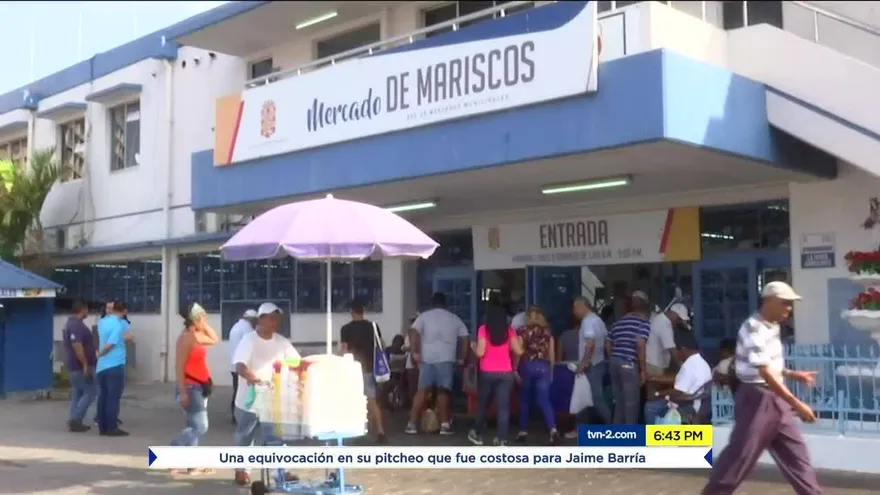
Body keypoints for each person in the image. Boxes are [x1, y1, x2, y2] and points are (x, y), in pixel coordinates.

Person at [703, 281, 821, 494]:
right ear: (767, 302)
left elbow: (768, 365)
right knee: (740, 457)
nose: (788, 308)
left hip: (775, 401)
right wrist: (797, 404)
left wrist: (793, 374)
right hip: (757, 401)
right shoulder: (753, 328)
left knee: (797, 457)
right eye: (784, 303)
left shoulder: (773, 326)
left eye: (790, 304)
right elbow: (764, 372)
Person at [232, 302, 301, 486]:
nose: (274, 322)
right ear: (260, 319)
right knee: (245, 436)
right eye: (271, 318)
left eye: (276, 319)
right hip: (249, 399)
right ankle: (241, 470)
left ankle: (279, 473)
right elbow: (240, 365)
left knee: (275, 437)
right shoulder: (249, 340)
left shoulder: (282, 342)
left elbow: (296, 362)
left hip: (272, 400)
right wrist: (252, 378)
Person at [406, 292, 469, 436]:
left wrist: (415, 351)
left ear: (432, 304)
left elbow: (413, 332)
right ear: (445, 304)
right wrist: (462, 357)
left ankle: (412, 424)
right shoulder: (454, 318)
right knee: (443, 391)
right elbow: (465, 337)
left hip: (427, 358)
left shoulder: (424, 317)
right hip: (446, 358)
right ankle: (445, 425)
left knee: (422, 390)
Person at [170, 302, 219, 475]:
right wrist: (182, 391)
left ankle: (192, 465)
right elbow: (179, 366)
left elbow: (214, 339)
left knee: (193, 425)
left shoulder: (196, 335)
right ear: (195, 320)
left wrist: (204, 325)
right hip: (190, 388)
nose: (206, 321)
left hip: (200, 386)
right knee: (201, 426)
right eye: (203, 318)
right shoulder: (186, 338)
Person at [468, 304, 522, 446]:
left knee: (483, 405)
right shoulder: (510, 331)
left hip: (487, 372)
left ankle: (477, 434)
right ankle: (502, 439)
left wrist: (473, 346)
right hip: (506, 373)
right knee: (503, 407)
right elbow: (519, 351)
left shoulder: (483, 330)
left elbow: (480, 353)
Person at [339, 300, 387, 443]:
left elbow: (343, 350)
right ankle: (380, 430)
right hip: (370, 368)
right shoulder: (373, 326)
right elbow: (381, 345)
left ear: (351, 311)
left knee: (353, 400)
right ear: (363, 311)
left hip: (353, 368)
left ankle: (357, 430)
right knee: (372, 400)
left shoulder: (345, 329)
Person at [643, 332, 712, 424]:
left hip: (687, 404)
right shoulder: (701, 362)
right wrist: (654, 378)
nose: (677, 354)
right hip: (700, 403)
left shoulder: (689, 365)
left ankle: (654, 436)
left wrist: (657, 394)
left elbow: (678, 391)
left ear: (684, 350)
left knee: (651, 406)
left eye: (677, 351)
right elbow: (679, 379)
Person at [514, 306, 559, 444]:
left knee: (524, 399)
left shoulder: (523, 331)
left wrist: (515, 369)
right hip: (544, 367)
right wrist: (551, 371)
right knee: (544, 400)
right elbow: (552, 354)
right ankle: (552, 429)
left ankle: (523, 431)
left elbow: (519, 351)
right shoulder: (548, 333)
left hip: (528, 366)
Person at [606, 291, 651, 424]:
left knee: (619, 402)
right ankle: (630, 438)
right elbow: (640, 344)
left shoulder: (619, 322)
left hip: (614, 362)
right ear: (645, 307)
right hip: (628, 364)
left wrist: (613, 357)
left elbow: (607, 342)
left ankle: (617, 436)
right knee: (631, 404)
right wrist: (643, 370)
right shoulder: (643, 323)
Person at [95, 302, 133, 436]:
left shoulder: (102, 322)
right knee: (113, 397)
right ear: (124, 311)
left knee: (103, 396)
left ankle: (102, 426)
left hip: (101, 367)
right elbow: (111, 344)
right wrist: (102, 353)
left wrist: (99, 356)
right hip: (114, 365)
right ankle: (112, 427)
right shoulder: (118, 324)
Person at [573, 296, 612, 424]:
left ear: (581, 307)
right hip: (599, 362)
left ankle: (610, 424)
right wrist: (609, 358)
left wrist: (584, 362)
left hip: (590, 365)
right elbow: (607, 342)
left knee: (588, 397)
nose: (574, 312)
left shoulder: (588, 321)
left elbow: (590, 343)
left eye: (575, 308)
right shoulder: (598, 320)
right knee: (592, 396)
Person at [63, 300, 97, 432]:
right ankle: (76, 419)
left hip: (74, 365)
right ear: (82, 310)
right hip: (78, 366)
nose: (88, 312)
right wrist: (85, 364)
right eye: (87, 309)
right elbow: (77, 346)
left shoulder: (72, 323)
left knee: (78, 392)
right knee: (91, 391)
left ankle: (73, 419)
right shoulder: (76, 325)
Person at [227, 308, 257, 422]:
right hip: (243, 366)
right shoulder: (247, 329)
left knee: (237, 390)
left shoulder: (236, 327)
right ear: (252, 319)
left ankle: (235, 416)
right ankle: (241, 417)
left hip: (234, 365)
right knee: (244, 392)